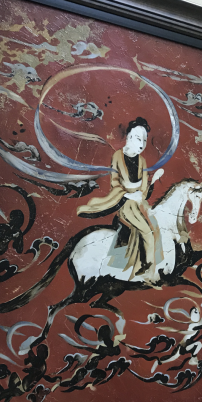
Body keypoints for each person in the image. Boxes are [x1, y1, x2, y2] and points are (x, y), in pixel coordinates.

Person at [77, 117, 164, 281]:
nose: (141, 144)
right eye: (138, 138)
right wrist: (129, 195)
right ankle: (149, 270)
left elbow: (143, 190)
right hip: (124, 204)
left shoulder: (142, 161)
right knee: (147, 231)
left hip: (139, 203)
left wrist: (153, 181)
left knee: (156, 224)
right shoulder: (118, 156)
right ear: (129, 137)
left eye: (144, 140)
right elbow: (115, 184)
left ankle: (147, 263)